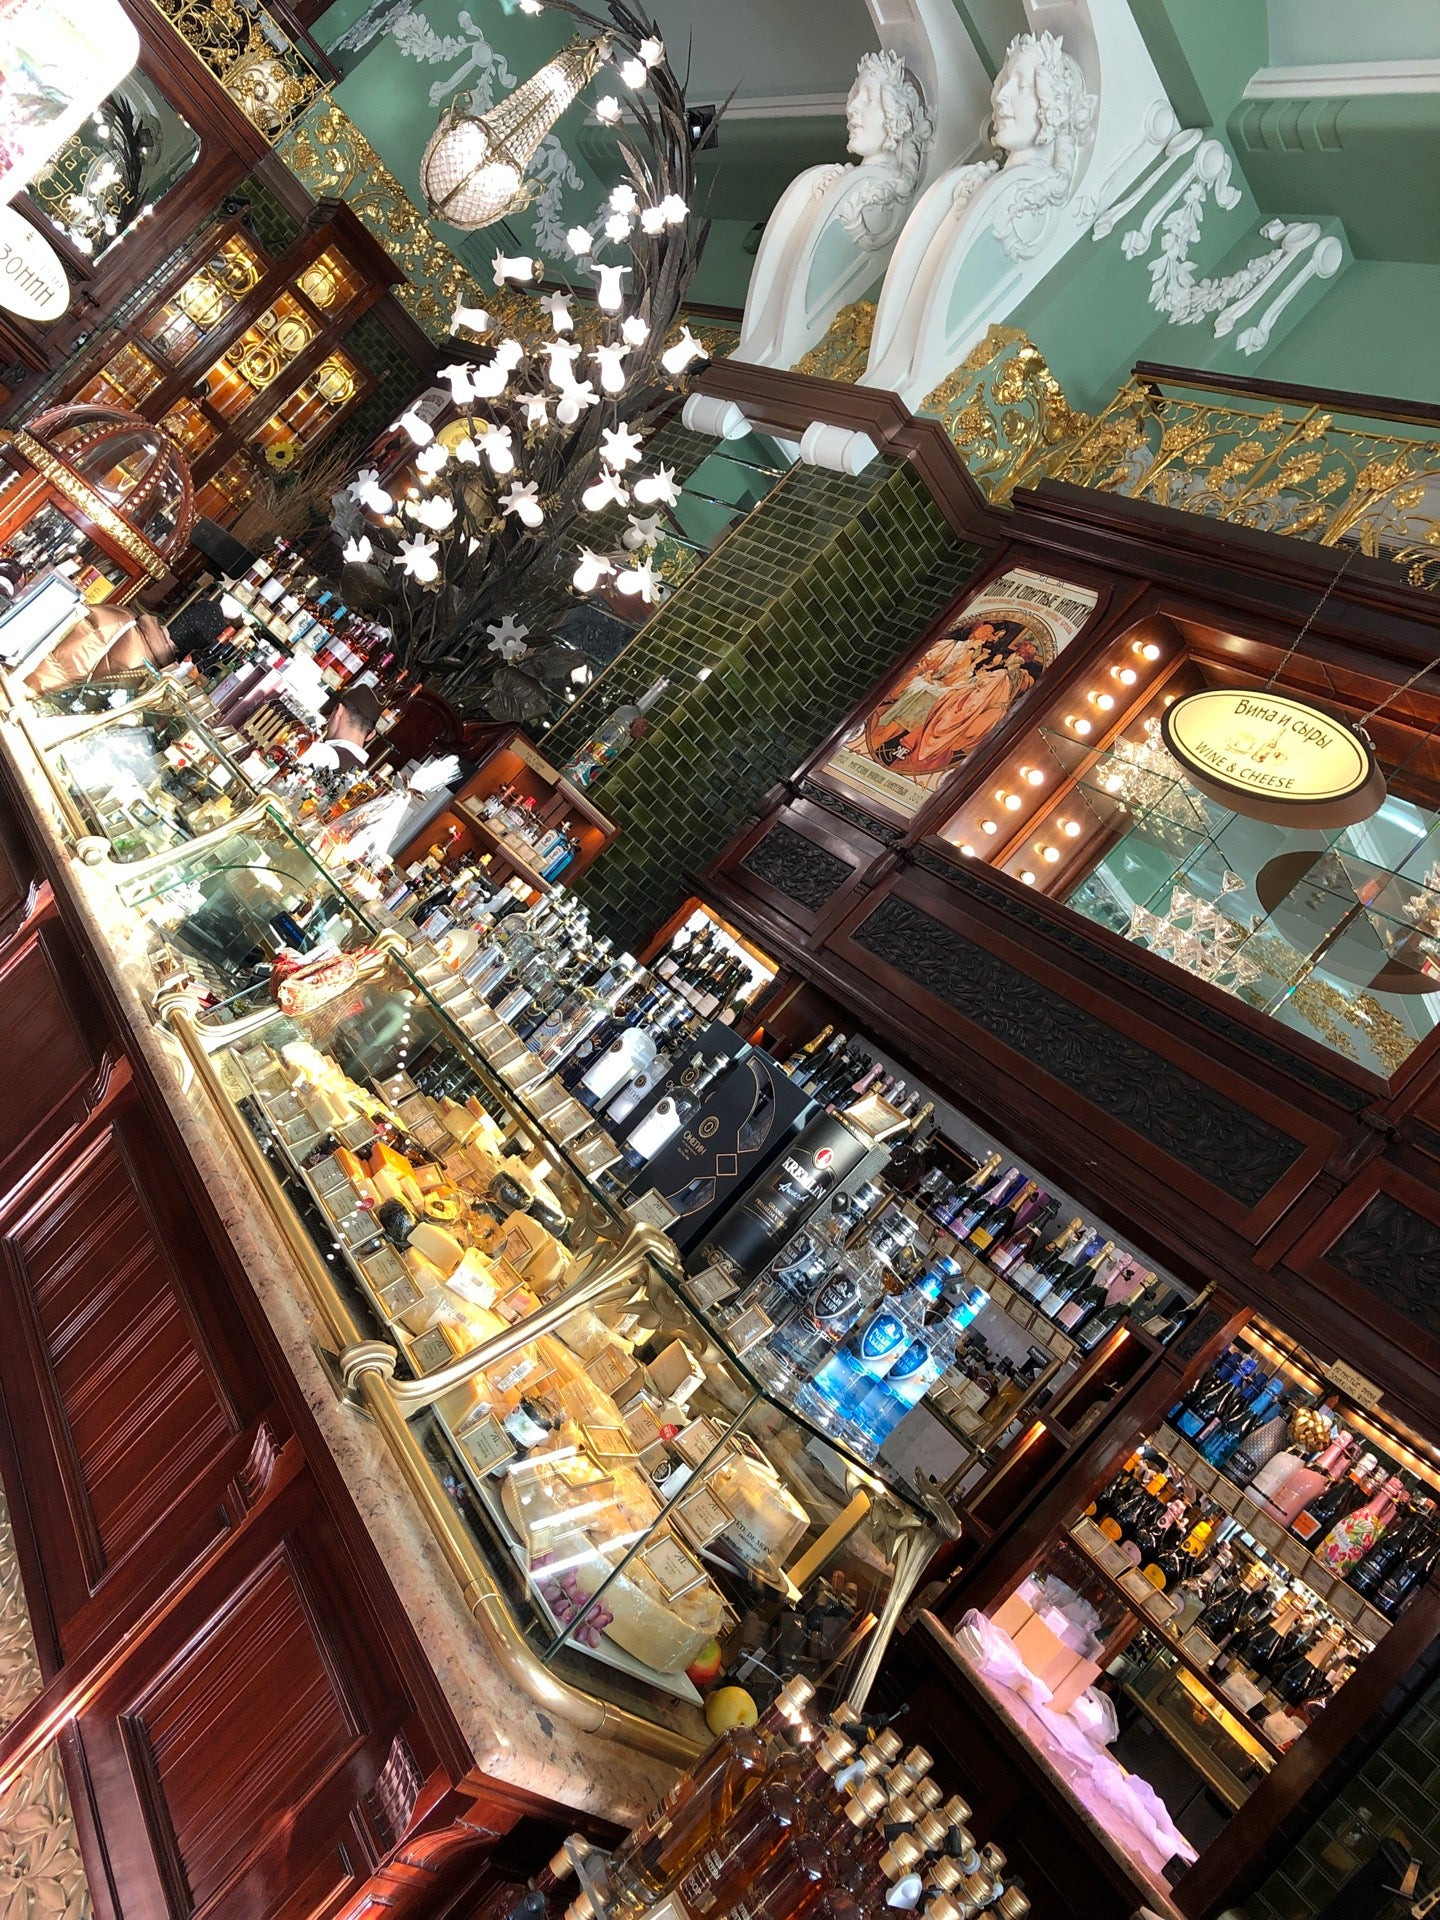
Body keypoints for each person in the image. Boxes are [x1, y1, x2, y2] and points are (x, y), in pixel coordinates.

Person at [863, 615, 1045, 776]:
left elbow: (975, 695)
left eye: (990, 636)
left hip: (976, 710)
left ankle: (907, 746)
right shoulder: (1012, 673)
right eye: (986, 634)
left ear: (1018, 656)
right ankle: (898, 740)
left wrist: (966, 684)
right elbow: (946, 672)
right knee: (929, 702)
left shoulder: (1004, 674)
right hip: (968, 702)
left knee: (939, 711)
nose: (988, 639)